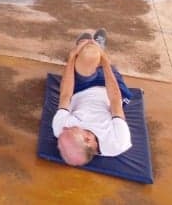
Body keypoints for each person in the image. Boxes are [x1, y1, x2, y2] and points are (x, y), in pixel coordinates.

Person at [53, 29, 133, 166]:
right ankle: (96, 48)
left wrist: (72, 56)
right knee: (94, 54)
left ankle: (85, 48)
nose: (65, 128)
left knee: (88, 55)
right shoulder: (118, 142)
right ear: (88, 139)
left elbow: (66, 94)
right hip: (112, 90)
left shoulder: (61, 129)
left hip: (82, 87)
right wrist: (105, 60)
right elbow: (115, 100)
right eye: (71, 130)